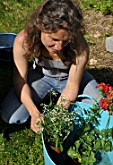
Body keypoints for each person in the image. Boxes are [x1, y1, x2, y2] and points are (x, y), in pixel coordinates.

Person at [0, 0, 101, 133]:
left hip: (72, 78)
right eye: (54, 39)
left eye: (65, 41)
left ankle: (71, 109)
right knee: (10, 116)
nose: (59, 47)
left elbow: (71, 86)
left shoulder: (80, 47)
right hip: (43, 76)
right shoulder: (23, 41)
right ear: (41, 27)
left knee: (100, 107)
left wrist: (55, 117)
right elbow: (20, 81)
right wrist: (34, 112)